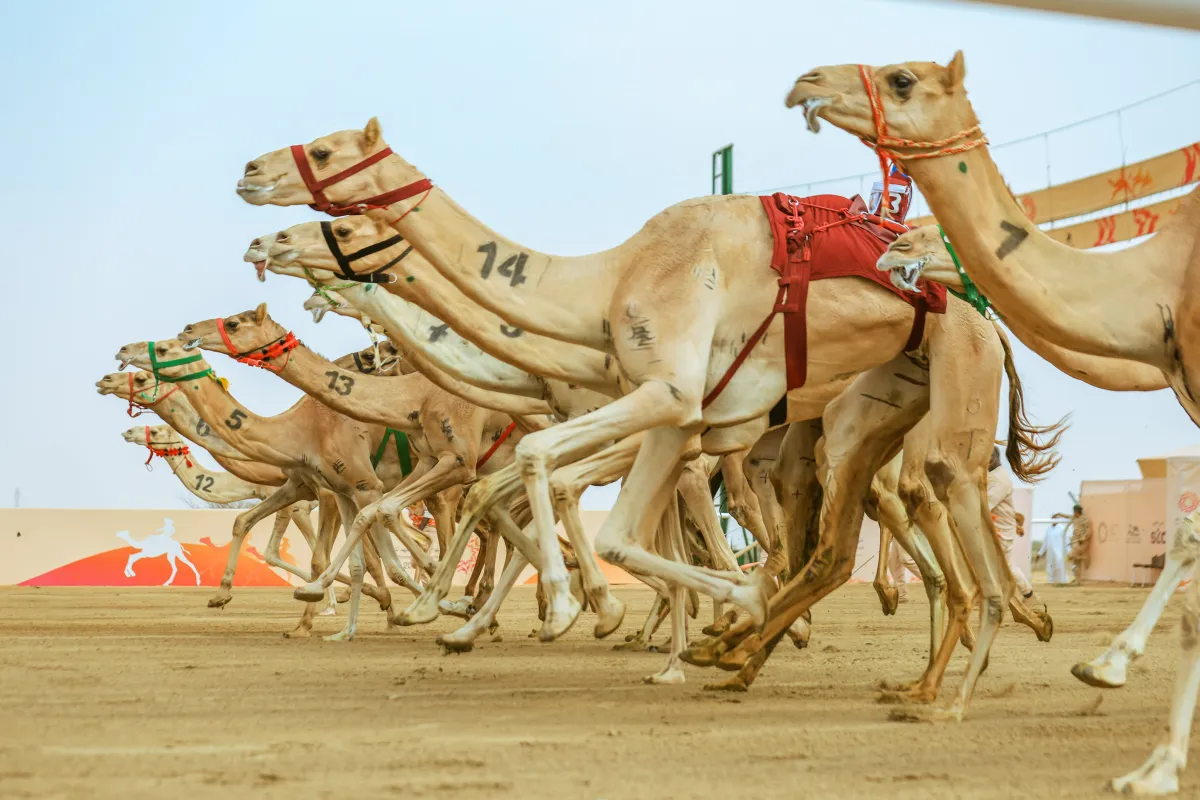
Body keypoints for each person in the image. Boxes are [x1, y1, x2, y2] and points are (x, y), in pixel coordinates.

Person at [987, 447, 1043, 609]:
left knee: (1001, 565)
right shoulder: (993, 476)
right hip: (998, 528)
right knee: (1007, 566)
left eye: (991, 456)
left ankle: (1022, 595)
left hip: (1000, 531)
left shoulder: (998, 480)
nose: (987, 459)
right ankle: (1028, 594)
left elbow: (985, 504)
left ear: (996, 458)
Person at [1066, 503, 1092, 584]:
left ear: (1076, 512)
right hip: (1075, 541)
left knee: (1071, 555)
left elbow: (1088, 531)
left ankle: (1083, 556)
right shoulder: (1074, 518)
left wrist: (1083, 538)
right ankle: (1077, 581)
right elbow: (1067, 516)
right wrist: (1059, 514)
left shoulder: (1085, 520)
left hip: (1081, 542)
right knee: (1077, 562)